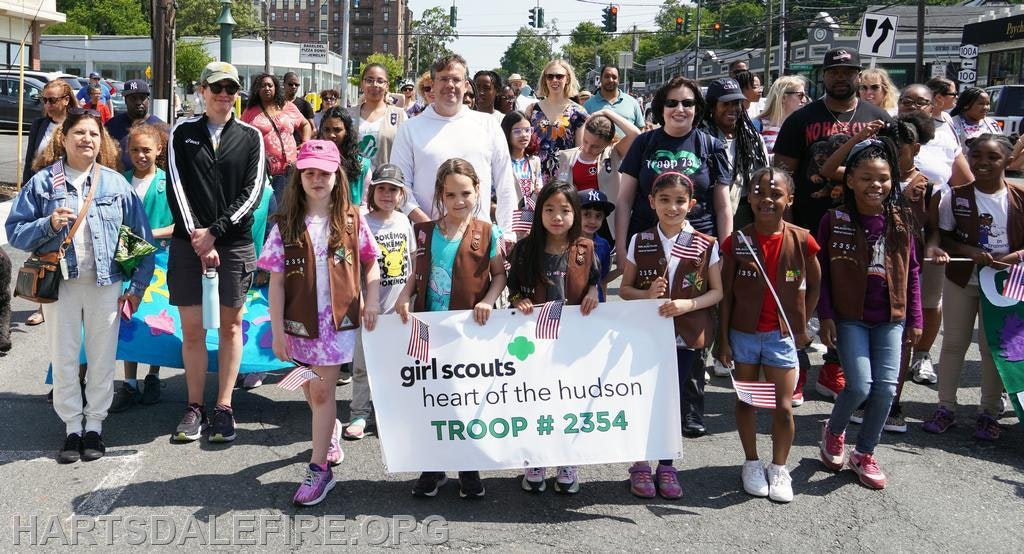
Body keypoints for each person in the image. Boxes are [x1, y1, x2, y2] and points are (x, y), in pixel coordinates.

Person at [6, 107, 155, 463]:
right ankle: (72, 428)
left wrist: (137, 288)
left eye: (93, 133)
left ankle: (95, 428)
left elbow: (140, 239)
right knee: (65, 356)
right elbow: (15, 232)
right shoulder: (43, 183)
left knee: (103, 359)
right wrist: (48, 224)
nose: (87, 139)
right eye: (80, 133)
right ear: (65, 137)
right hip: (62, 286)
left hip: (107, 284)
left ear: (101, 140)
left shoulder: (115, 183)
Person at [259, 140, 381, 505]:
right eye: (309, 172)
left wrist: (371, 300)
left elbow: (370, 262)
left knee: (324, 392)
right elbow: (277, 280)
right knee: (311, 390)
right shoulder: (287, 224)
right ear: (299, 177)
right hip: (299, 324)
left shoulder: (351, 219)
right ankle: (328, 434)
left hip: (337, 325)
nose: (316, 179)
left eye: (324, 172)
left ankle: (319, 470)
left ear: (336, 176)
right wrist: (278, 331)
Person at [773, 47, 892, 402]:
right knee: (799, 300)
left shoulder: (878, 117)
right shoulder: (802, 119)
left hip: (861, 230)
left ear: (859, 75)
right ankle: (796, 370)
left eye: (848, 71)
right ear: (822, 76)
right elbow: (784, 178)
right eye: (834, 72)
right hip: (809, 225)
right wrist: (786, 230)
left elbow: (889, 177)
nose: (840, 77)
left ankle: (834, 369)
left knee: (850, 299)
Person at [395, 158, 508, 499]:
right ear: (440, 195)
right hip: (430, 327)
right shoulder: (425, 232)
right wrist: (402, 297)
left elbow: (499, 274)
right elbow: (415, 275)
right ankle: (433, 466)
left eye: (466, 193)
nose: (460, 200)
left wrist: (488, 299)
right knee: (433, 398)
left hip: (468, 330)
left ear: (478, 192)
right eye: (451, 194)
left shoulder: (487, 232)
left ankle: (467, 466)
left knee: (465, 396)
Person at [167, 62, 265, 444]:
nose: (224, 94)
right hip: (188, 243)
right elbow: (176, 186)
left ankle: (224, 406)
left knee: (231, 327)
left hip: (234, 244)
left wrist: (217, 232)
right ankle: (195, 406)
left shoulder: (251, 136)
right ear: (202, 91)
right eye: (217, 87)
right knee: (191, 330)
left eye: (231, 89)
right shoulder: (182, 132)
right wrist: (198, 237)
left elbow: (253, 192)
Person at [817, 137, 922, 490]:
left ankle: (864, 452)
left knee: (885, 390)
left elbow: (913, 274)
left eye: (883, 178)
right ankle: (834, 431)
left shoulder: (901, 220)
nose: (875, 185)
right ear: (849, 180)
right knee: (859, 385)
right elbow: (823, 275)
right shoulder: (835, 220)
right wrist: (826, 316)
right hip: (849, 317)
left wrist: (916, 318)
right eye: (865, 178)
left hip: (891, 318)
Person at [719, 168, 821, 503]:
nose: (767, 200)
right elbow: (728, 294)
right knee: (747, 401)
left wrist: (803, 324)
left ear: (789, 199)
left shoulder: (802, 239)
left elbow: (817, 283)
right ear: (749, 198)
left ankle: (779, 467)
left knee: (784, 407)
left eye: (775, 194)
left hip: (781, 337)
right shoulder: (737, 241)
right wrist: (723, 341)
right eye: (759, 193)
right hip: (744, 335)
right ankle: (751, 462)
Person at [619, 172, 723, 499]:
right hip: (646, 336)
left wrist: (688, 303)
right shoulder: (641, 240)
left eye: (680, 201)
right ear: (652, 202)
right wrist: (646, 294)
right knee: (644, 397)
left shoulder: (707, 244)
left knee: (673, 400)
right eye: (664, 200)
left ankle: (666, 465)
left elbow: (717, 292)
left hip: (686, 335)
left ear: (691, 205)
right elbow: (624, 289)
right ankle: (639, 464)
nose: (672, 207)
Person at [923, 134, 1021, 441]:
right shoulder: (956, 196)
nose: (983, 163)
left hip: (1007, 282)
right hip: (963, 278)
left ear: (1008, 160)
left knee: (994, 348)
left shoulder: (1018, 198)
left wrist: (1013, 257)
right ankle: (945, 407)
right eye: (976, 155)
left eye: (992, 157)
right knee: (953, 343)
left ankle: (989, 411)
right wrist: (966, 250)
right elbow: (943, 235)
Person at [507, 181, 599, 495]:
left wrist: (593, 293)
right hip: (535, 343)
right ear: (539, 213)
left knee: (569, 403)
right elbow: (514, 286)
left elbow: (594, 283)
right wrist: (519, 298)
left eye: (565, 210)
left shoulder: (585, 249)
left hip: (572, 346)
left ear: (575, 213)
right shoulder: (524, 249)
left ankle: (567, 461)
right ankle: (535, 459)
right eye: (549, 209)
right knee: (536, 402)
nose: (557, 217)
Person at [390, 54, 517, 234]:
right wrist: (430, 227)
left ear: (466, 86)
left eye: (456, 79)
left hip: (479, 239)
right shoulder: (409, 129)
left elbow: (505, 185)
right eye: (443, 79)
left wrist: (508, 233)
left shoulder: (489, 125)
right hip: (428, 238)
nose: (450, 85)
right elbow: (401, 187)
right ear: (432, 85)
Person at [616, 76, 732, 268]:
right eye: (672, 103)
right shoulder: (642, 143)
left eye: (687, 103)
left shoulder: (712, 146)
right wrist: (621, 249)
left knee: (695, 299)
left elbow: (723, 207)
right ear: (662, 108)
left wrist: (724, 252)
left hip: (698, 247)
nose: (680, 109)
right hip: (647, 244)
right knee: (649, 298)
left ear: (697, 108)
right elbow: (624, 201)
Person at [109, 123, 176, 412]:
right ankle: (129, 383)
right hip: (128, 263)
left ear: (159, 150)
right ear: (128, 150)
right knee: (130, 320)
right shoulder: (120, 180)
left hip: (160, 261)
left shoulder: (168, 183)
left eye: (147, 149)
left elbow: (178, 224)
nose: (141, 155)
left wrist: (148, 235)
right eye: (135, 150)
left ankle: (153, 375)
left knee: (157, 321)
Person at [346, 164, 415, 440]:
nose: (387, 194)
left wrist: (407, 296)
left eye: (393, 190)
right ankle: (359, 413)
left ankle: (390, 412)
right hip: (369, 307)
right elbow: (354, 270)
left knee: (397, 363)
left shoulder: (403, 222)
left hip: (398, 307)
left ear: (401, 195)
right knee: (363, 364)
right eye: (382, 188)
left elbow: (413, 262)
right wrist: (363, 301)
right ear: (373, 190)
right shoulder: (362, 222)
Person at [22, 80, 78, 327]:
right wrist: (24, 189)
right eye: (44, 100)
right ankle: (42, 302)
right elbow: (30, 160)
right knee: (41, 249)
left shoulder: (76, 123)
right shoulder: (39, 125)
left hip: (68, 193)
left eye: (52, 100)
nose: (47, 105)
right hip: (40, 194)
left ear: (66, 100)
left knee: (66, 247)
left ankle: (72, 300)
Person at [554, 109, 641, 242]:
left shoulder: (613, 154)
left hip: (606, 223)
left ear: (608, 143)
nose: (588, 149)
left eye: (595, 146)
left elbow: (635, 134)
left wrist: (607, 112)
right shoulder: (567, 156)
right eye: (585, 141)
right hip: (577, 221)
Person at [700, 77, 769, 232]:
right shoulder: (701, 138)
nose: (733, 108)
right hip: (711, 216)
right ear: (712, 106)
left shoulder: (752, 137)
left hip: (747, 214)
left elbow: (764, 173)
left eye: (736, 103)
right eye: (725, 103)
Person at [242, 73, 311, 204]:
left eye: (270, 85)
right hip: (266, 173)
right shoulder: (250, 111)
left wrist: (305, 141)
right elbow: (241, 136)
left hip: (291, 169)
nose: (267, 88)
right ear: (257, 89)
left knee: (292, 211)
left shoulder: (287, 106)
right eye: (262, 86)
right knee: (273, 215)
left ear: (276, 88)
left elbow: (305, 124)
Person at [527, 59, 588, 182]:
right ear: (545, 79)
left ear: (568, 79)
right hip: (534, 178)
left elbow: (580, 151)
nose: (554, 80)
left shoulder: (578, 112)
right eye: (550, 76)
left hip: (565, 178)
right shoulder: (532, 110)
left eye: (559, 76)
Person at [920, 78, 973, 191]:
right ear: (939, 97)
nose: (957, 97)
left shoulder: (947, 117)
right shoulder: (924, 123)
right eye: (953, 94)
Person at [351, 64, 407, 168]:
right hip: (354, 181)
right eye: (369, 80)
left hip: (386, 181)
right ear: (362, 84)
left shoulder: (399, 116)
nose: (375, 85)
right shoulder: (349, 115)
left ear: (387, 86)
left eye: (380, 81)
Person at [317, 107, 372, 207]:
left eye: (337, 130)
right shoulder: (314, 162)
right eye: (327, 130)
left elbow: (365, 204)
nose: (331, 135)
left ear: (347, 131)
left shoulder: (362, 165)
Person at [106, 79, 164, 171]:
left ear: (148, 100)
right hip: (118, 180)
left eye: (142, 98)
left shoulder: (161, 128)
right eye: (133, 98)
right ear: (125, 100)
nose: (138, 102)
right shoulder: (111, 125)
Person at [756, 75, 810, 158]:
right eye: (800, 95)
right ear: (784, 97)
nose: (804, 100)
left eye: (805, 96)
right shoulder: (757, 125)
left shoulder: (803, 126)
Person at [578, 189, 616, 301]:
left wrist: (621, 270)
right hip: (571, 305)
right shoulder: (566, 242)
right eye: (586, 214)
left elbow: (602, 278)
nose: (592, 221)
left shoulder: (604, 245)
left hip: (595, 303)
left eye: (598, 216)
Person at [501, 111, 543, 209]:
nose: (524, 135)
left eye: (527, 130)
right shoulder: (500, 161)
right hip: (507, 217)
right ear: (507, 133)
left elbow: (538, 189)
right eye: (517, 131)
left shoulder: (535, 161)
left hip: (529, 219)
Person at [584, 66, 645, 133]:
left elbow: (640, 129)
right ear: (600, 79)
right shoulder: (588, 105)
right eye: (607, 76)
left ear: (618, 80)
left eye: (614, 77)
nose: (610, 80)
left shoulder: (632, 103)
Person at [283, 72, 316, 142]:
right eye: (290, 84)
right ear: (284, 84)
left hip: (298, 146)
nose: (294, 87)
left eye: (296, 85)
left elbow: (313, 129)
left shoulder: (305, 105)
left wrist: (304, 142)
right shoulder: (276, 103)